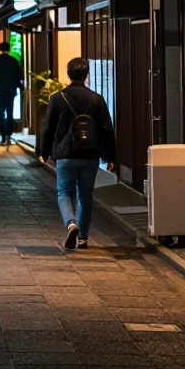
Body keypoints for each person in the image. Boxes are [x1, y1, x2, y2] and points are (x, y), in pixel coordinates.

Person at [38, 57, 116, 250]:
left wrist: (44, 152)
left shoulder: (58, 98)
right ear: (86, 74)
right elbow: (107, 128)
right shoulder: (96, 98)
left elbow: (48, 128)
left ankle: (71, 223)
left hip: (65, 154)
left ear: (69, 74)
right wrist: (110, 156)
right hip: (90, 154)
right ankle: (83, 237)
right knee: (85, 195)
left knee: (64, 192)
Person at [0, 41, 25, 146]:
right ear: (9, 49)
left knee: (0, 112)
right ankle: (9, 135)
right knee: (10, 112)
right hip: (11, 91)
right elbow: (19, 77)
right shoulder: (14, 61)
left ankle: (3, 136)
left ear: (0, 49)